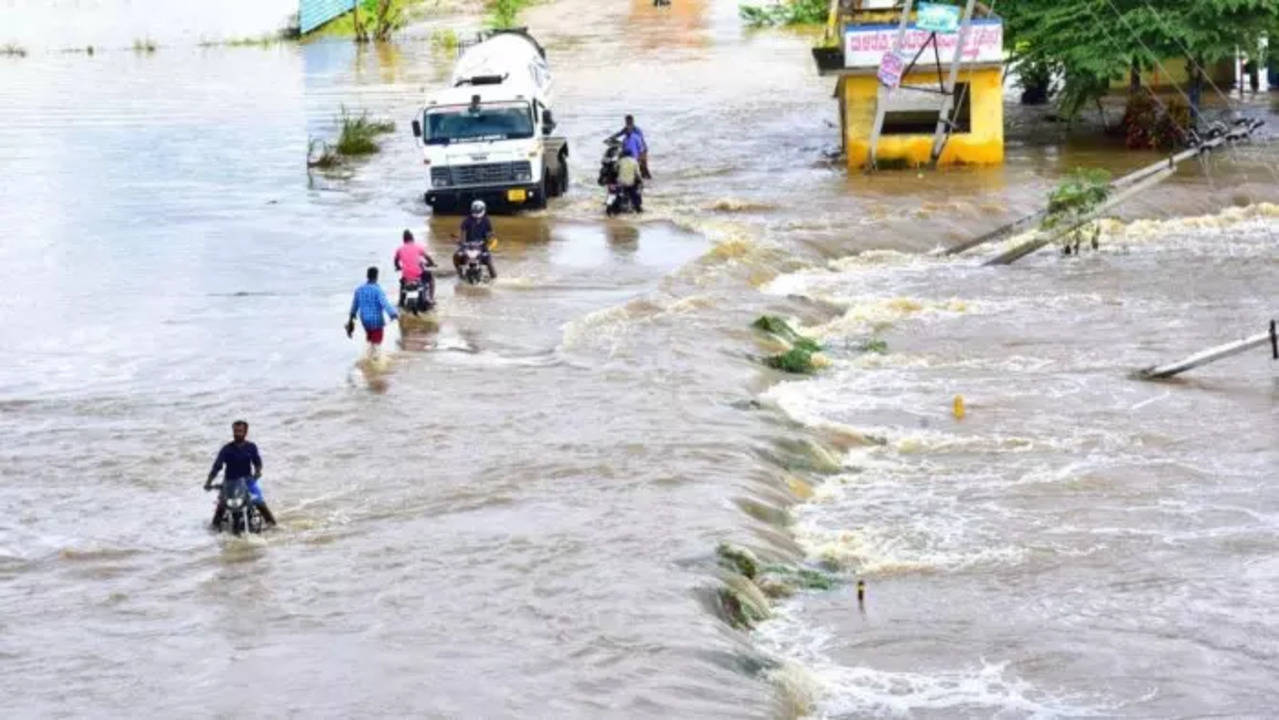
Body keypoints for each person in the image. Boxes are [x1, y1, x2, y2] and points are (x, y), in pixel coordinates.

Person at [205, 420, 276, 529]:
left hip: (248, 481)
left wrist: (257, 472)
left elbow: (258, 463)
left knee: (260, 503)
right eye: (235, 431)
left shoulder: (251, 447)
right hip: (229, 482)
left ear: (245, 432)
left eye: (240, 431)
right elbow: (216, 467)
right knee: (221, 508)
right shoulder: (226, 449)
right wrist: (208, 482)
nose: (237, 433)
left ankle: (273, 525)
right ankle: (213, 532)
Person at [346, 266, 399, 346]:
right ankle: (373, 356)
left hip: (365, 320)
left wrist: (350, 320)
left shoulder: (359, 290)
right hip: (376, 321)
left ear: (367, 276)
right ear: (377, 276)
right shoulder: (378, 290)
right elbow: (385, 304)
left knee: (370, 339)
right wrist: (393, 314)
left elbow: (354, 306)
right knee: (377, 344)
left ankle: (368, 354)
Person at [454, 199, 498, 280]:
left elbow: (490, 234)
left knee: (488, 261)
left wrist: (489, 241)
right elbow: (462, 233)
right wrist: (461, 243)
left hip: (482, 246)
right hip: (468, 246)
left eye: (478, 210)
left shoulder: (486, 221)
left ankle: (494, 278)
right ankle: (459, 274)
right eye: (475, 210)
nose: (476, 212)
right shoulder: (467, 220)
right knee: (457, 256)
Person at [393, 229, 437, 305]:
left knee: (402, 283)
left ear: (404, 240)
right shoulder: (418, 247)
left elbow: (396, 260)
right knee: (431, 278)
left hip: (406, 276)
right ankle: (431, 298)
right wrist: (432, 263)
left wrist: (398, 267)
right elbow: (428, 257)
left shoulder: (399, 249)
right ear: (413, 238)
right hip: (418, 275)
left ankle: (401, 300)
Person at [610, 115, 651, 180]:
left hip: (641, 149)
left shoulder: (637, 130)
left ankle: (648, 179)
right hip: (632, 148)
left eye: (629, 121)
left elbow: (641, 141)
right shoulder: (626, 129)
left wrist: (642, 154)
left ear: (632, 121)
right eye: (626, 121)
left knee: (643, 167)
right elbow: (618, 134)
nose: (627, 123)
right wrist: (612, 138)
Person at [616, 148, 642, 213]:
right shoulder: (634, 161)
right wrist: (640, 180)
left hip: (621, 183)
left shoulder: (620, 161)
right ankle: (638, 207)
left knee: (618, 193)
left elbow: (615, 169)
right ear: (631, 154)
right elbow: (638, 174)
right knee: (635, 194)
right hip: (630, 183)